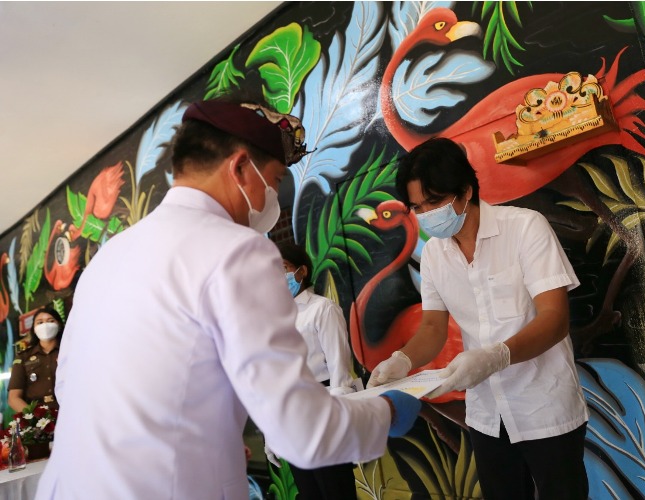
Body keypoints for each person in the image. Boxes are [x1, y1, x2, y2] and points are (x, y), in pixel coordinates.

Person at [35, 99, 421, 499]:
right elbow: (302, 432)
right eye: (275, 180)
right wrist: (387, 412)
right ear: (240, 168)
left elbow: (71, 387)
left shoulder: (109, 256)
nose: (274, 197)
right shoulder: (237, 251)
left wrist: (206, 434)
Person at [368, 138, 589, 499]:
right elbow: (432, 328)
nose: (426, 214)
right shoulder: (434, 255)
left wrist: (497, 356)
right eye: (417, 207)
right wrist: (402, 360)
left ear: (465, 191)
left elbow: (554, 318)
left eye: (435, 202)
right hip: (487, 413)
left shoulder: (525, 228)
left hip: (544, 405)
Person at [272, 242, 358, 499]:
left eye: (283, 267)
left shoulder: (322, 309)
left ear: (302, 271)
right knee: (309, 491)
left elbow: (340, 368)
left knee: (335, 490)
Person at [8, 306, 64, 412]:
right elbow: (13, 397)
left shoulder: (69, 352)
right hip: (38, 417)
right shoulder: (23, 357)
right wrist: (34, 418)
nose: (45, 325)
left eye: (51, 321)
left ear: (59, 325)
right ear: (34, 328)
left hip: (70, 412)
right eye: (40, 322)